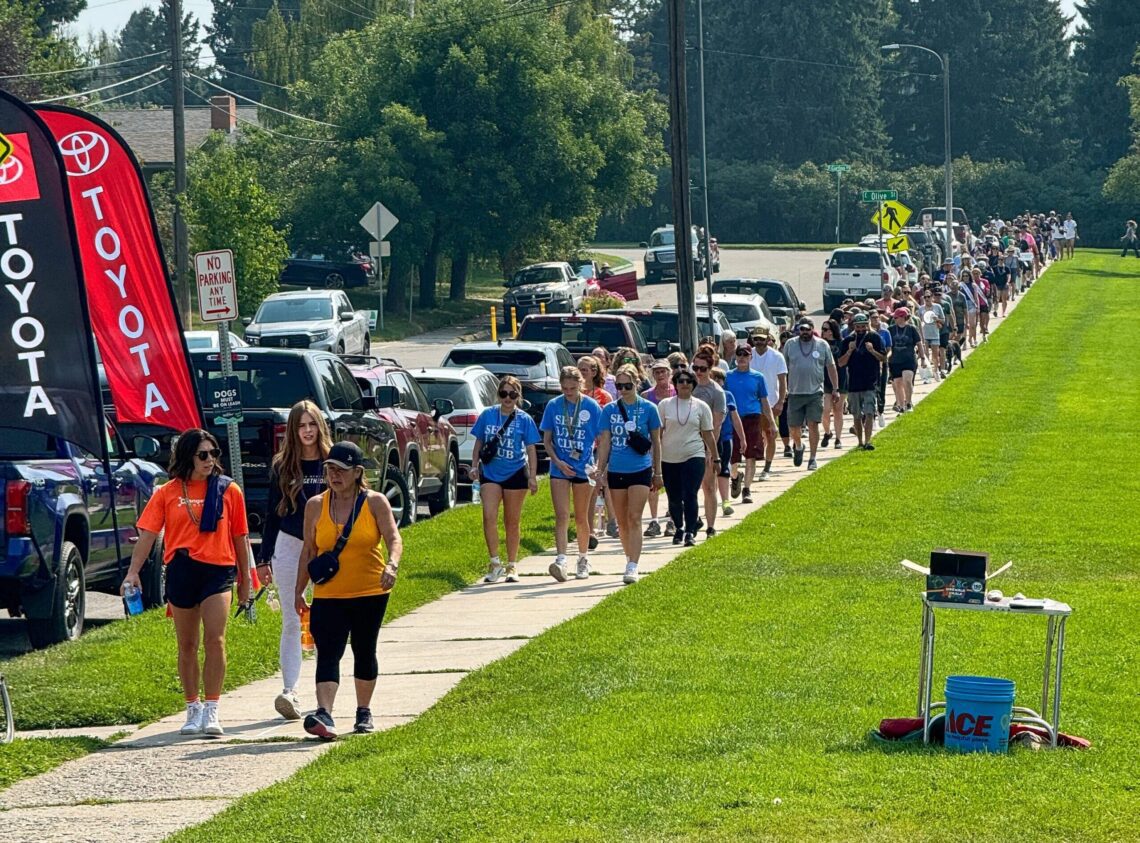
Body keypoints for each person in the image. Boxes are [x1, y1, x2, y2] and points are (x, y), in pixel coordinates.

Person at [121, 429, 250, 737]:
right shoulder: (167, 492)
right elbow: (148, 534)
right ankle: (192, 707)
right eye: (203, 455)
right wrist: (133, 572)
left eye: (213, 454)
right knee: (187, 644)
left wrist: (246, 580)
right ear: (188, 456)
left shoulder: (228, 490)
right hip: (181, 569)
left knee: (215, 640)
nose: (210, 460)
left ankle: (212, 707)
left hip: (218, 570)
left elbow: (241, 538)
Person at [294, 441, 402, 740]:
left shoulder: (375, 502)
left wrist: (391, 566)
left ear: (357, 472)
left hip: (370, 590)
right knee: (328, 651)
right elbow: (309, 551)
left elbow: (394, 538)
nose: (334, 475)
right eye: (329, 469)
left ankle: (363, 710)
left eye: (341, 470)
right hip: (329, 593)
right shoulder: (316, 505)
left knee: (364, 649)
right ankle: (324, 712)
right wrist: (298, 590)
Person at [258, 400, 331, 721]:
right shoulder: (282, 467)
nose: (307, 431)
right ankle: (289, 691)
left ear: (320, 426)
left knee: (329, 619)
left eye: (312, 424)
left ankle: (326, 694)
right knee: (292, 619)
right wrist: (264, 558)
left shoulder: (333, 461)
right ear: (292, 429)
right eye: (301, 425)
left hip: (326, 547)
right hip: (288, 545)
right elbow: (272, 516)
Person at [595, 364, 663, 584]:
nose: (623, 390)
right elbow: (605, 441)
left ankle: (633, 565)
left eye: (627, 385)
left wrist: (657, 471)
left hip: (640, 469)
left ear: (636, 383)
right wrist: (600, 468)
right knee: (622, 521)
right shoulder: (610, 410)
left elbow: (656, 442)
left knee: (635, 517)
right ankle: (628, 556)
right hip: (616, 469)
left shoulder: (649, 408)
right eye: (619, 386)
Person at [472, 375, 540, 584]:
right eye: (503, 394)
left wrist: (533, 476)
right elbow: (479, 442)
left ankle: (512, 565)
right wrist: (474, 466)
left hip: (516, 471)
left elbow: (531, 448)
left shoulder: (524, 419)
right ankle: (494, 563)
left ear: (518, 396)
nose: (507, 398)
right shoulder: (488, 415)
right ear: (498, 395)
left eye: (512, 394)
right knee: (489, 516)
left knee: (512, 521)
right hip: (491, 473)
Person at [541, 366, 604, 582]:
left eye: (572, 388)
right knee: (561, 515)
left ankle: (583, 558)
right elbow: (547, 440)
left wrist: (597, 465)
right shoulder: (554, 405)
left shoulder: (591, 406)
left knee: (581, 516)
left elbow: (603, 438)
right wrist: (557, 461)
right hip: (559, 467)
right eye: (565, 388)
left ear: (581, 385)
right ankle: (560, 559)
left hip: (583, 466)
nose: (568, 392)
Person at [658, 368, 717, 547]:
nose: (684, 384)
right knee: (674, 497)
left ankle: (690, 531)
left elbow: (708, 434)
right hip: (669, 457)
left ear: (693, 385)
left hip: (694, 454)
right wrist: (654, 458)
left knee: (690, 494)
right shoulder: (665, 405)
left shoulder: (701, 406)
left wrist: (716, 457)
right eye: (681, 381)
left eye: (688, 381)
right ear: (675, 384)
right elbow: (658, 433)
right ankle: (679, 527)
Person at [782, 318, 839, 472]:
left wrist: (835, 388)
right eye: (802, 329)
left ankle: (812, 458)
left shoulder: (822, 344)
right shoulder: (790, 344)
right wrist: (782, 389)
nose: (804, 332)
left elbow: (831, 366)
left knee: (813, 424)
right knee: (794, 427)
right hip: (795, 392)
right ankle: (799, 446)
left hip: (815, 392)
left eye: (807, 329)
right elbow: (783, 369)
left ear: (813, 329)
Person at [725, 344, 777, 502]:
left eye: (745, 355)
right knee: (733, 457)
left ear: (750, 358)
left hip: (752, 418)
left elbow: (764, 401)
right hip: (733, 419)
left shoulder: (758, 377)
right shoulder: (728, 376)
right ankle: (735, 477)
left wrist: (772, 422)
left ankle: (747, 489)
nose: (742, 358)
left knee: (751, 456)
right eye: (739, 354)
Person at [837, 313, 887, 450]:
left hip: (871, 382)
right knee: (857, 415)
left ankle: (868, 441)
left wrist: (872, 351)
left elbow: (883, 358)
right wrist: (849, 351)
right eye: (858, 327)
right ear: (854, 326)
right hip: (853, 384)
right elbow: (840, 363)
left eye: (863, 326)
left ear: (867, 325)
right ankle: (860, 441)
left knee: (870, 413)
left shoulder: (875, 337)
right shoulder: (848, 340)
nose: (861, 329)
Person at [691, 349, 726, 534]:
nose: (697, 372)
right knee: (689, 487)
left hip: (708, 443)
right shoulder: (688, 385)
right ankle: (693, 517)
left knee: (708, 486)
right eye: (695, 367)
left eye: (702, 369)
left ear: (710, 368)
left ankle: (711, 526)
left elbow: (717, 424)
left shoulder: (716, 392)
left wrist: (710, 451)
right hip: (688, 442)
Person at [641, 359, 675, 537]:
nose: (660, 375)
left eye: (663, 371)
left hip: (673, 443)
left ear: (670, 373)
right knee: (652, 484)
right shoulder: (647, 396)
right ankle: (654, 521)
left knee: (672, 482)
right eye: (657, 372)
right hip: (653, 445)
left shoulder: (677, 392)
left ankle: (672, 518)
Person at [747, 327, 789, 470]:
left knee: (770, 433)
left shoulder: (777, 357)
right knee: (756, 434)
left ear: (768, 339)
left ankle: (767, 466)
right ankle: (756, 458)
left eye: (762, 339)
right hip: (751, 402)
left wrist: (781, 401)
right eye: (756, 339)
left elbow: (783, 381)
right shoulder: (748, 355)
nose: (758, 342)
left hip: (771, 401)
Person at [709, 367, 746, 517]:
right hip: (707, 438)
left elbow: (735, 418)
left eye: (719, 379)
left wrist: (742, 438)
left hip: (725, 437)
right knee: (709, 471)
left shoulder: (728, 396)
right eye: (714, 379)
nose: (717, 382)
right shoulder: (702, 396)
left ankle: (725, 502)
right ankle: (711, 499)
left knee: (723, 468)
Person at [888, 307, 923, 413]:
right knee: (898, 383)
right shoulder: (891, 329)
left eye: (896, 316)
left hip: (909, 359)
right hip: (894, 360)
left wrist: (923, 358)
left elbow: (919, 343)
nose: (894, 318)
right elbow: (888, 345)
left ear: (903, 317)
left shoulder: (912, 329)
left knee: (907, 380)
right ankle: (901, 406)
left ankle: (909, 403)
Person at [819, 320, 846, 450]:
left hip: (841, 379)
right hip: (824, 380)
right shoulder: (820, 344)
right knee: (825, 410)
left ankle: (838, 438)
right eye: (822, 329)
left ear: (832, 330)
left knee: (838, 410)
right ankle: (828, 433)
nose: (823, 331)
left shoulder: (842, 343)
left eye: (825, 329)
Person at [869, 309, 892, 426]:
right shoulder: (869, 334)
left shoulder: (885, 332)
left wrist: (885, 358)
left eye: (877, 317)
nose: (876, 319)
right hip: (871, 365)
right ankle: (871, 415)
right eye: (873, 317)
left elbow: (889, 349)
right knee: (872, 390)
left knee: (882, 389)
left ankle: (881, 411)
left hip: (883, 363)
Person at [915, 290, 946, 380]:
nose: (927, 299)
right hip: (924, 334)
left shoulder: (937, 307)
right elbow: (919, 321)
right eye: (925, 297)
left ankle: (936, 371)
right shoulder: (921, 308)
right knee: (925, 354)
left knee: (935, 355)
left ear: (932, 297)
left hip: (934, 333)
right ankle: (927, 374)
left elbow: (943, 321)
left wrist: (937, 319)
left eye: (928, 297)